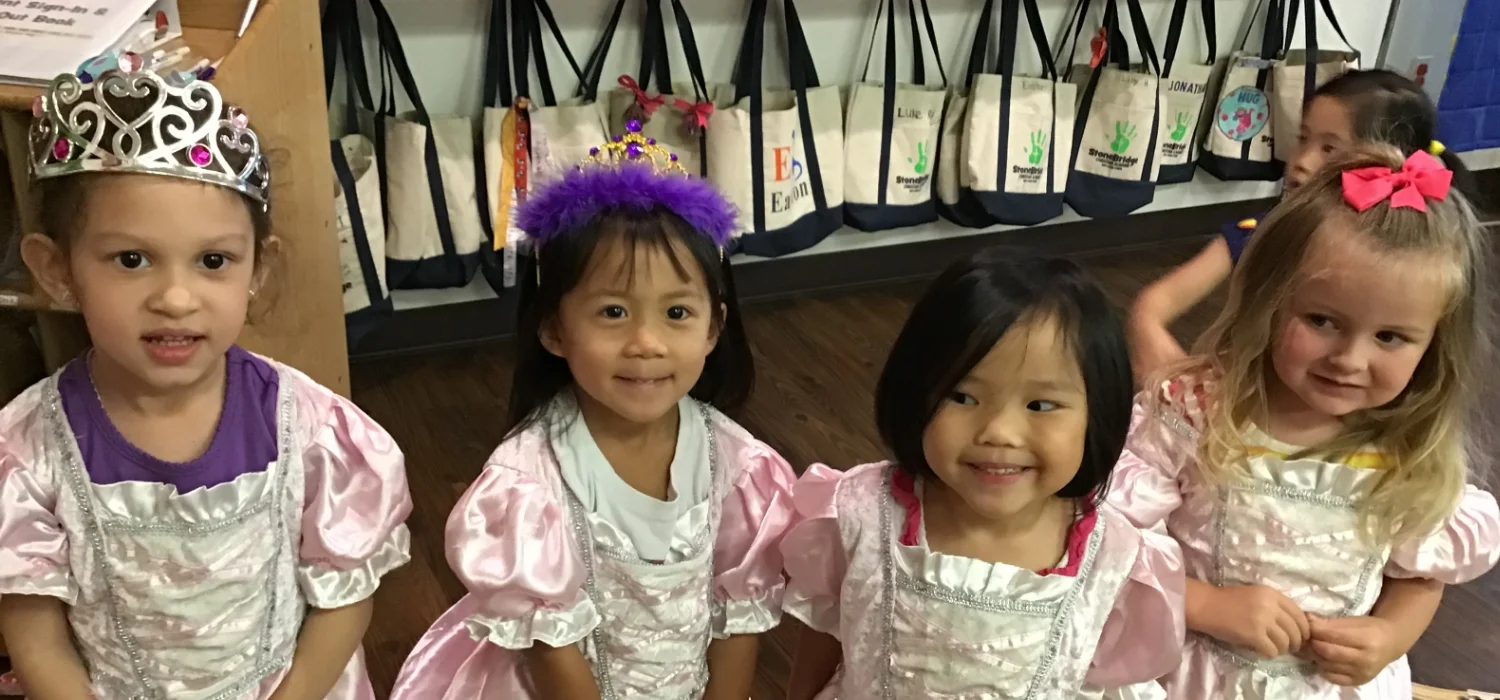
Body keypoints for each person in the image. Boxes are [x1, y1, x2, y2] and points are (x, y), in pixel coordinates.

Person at [0, 58, 412, 698]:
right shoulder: (27, 453)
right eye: (131, 259)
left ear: (257, 271)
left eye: (213, 261)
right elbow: (35, 635)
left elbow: (346, 592)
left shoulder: (314, 430)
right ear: (57, 270)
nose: (175, 297)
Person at [388, 121, 797, 700]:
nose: (646, 343)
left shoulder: (741, 469)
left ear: (715, 328)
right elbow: (554, 658)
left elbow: (741, 614)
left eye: (677, 313)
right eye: (612, 312)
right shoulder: (528, 485)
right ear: (553, 328)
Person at [1109, 144, 1500, 699]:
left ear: (1434, 346)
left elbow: (1420, 577)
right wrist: (1207, 604)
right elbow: (1115, 547)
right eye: (1322, 321)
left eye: (1390, 337)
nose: (1350, 359)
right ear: (1271, 303)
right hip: (1193, 673)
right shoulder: (1196, 412)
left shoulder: (1410, 452)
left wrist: (1389, 634)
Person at [781, 250, 1185, 700]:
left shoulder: (1115, 561)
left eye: (1040, 405)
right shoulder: (858, 513)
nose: (999, 432)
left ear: (1098, 414)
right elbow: (825, 622)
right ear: (915, 391)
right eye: (963, 396)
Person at [1128, 69, 1479, 383]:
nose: (1302, 162)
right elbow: (1154, 303)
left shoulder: (1417, 262)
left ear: (1387, 163)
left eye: (1329, 148)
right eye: (1302, 139)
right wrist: (1153, 339)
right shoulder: (1262, 231)